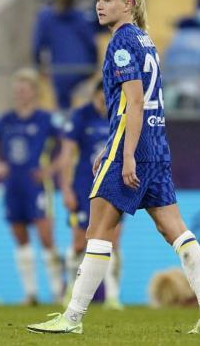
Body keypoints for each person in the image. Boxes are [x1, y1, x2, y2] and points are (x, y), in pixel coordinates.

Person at [27, 0, 200, 335]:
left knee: (97, 230)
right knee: (175, 229)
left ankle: (71, 318)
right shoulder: (146, 41)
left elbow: (134, 102)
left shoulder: (121, 42)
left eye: (107, 0)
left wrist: (125, 153)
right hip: (157, 145)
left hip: (131, 144)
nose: (99, 5)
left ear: (127, 4)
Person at [0, 69, 64, 305]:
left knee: (47, 238)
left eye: (25, 90)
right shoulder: (6, 120)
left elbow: (67, 145)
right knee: (21, 240)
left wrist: (51, 169)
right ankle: (30, 294)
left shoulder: (46, 119)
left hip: (36, 185)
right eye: (17, 90)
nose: (20, 94)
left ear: (34, 92)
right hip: (13, 185)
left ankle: (58, 292)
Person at [59, 80, 123, 310]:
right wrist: (66, 189)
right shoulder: (80, 116)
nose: (104, 103)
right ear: (95, 95)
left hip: (114, 187)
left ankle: (113, 297)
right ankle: (70, 291)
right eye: (101, 98)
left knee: (113, 242)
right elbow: (66, 155)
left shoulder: (120, 114)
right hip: (84, 187)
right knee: (78, 243)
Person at [33, 0, 98, 110]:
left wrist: (39, 66)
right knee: (85, 102)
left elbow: (38, 46)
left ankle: (66, 127)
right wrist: (94, 65)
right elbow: (91, 44)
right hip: (83, 68)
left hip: (61, 70)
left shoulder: (45, 18)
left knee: (64, 109)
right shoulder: (81, 16)